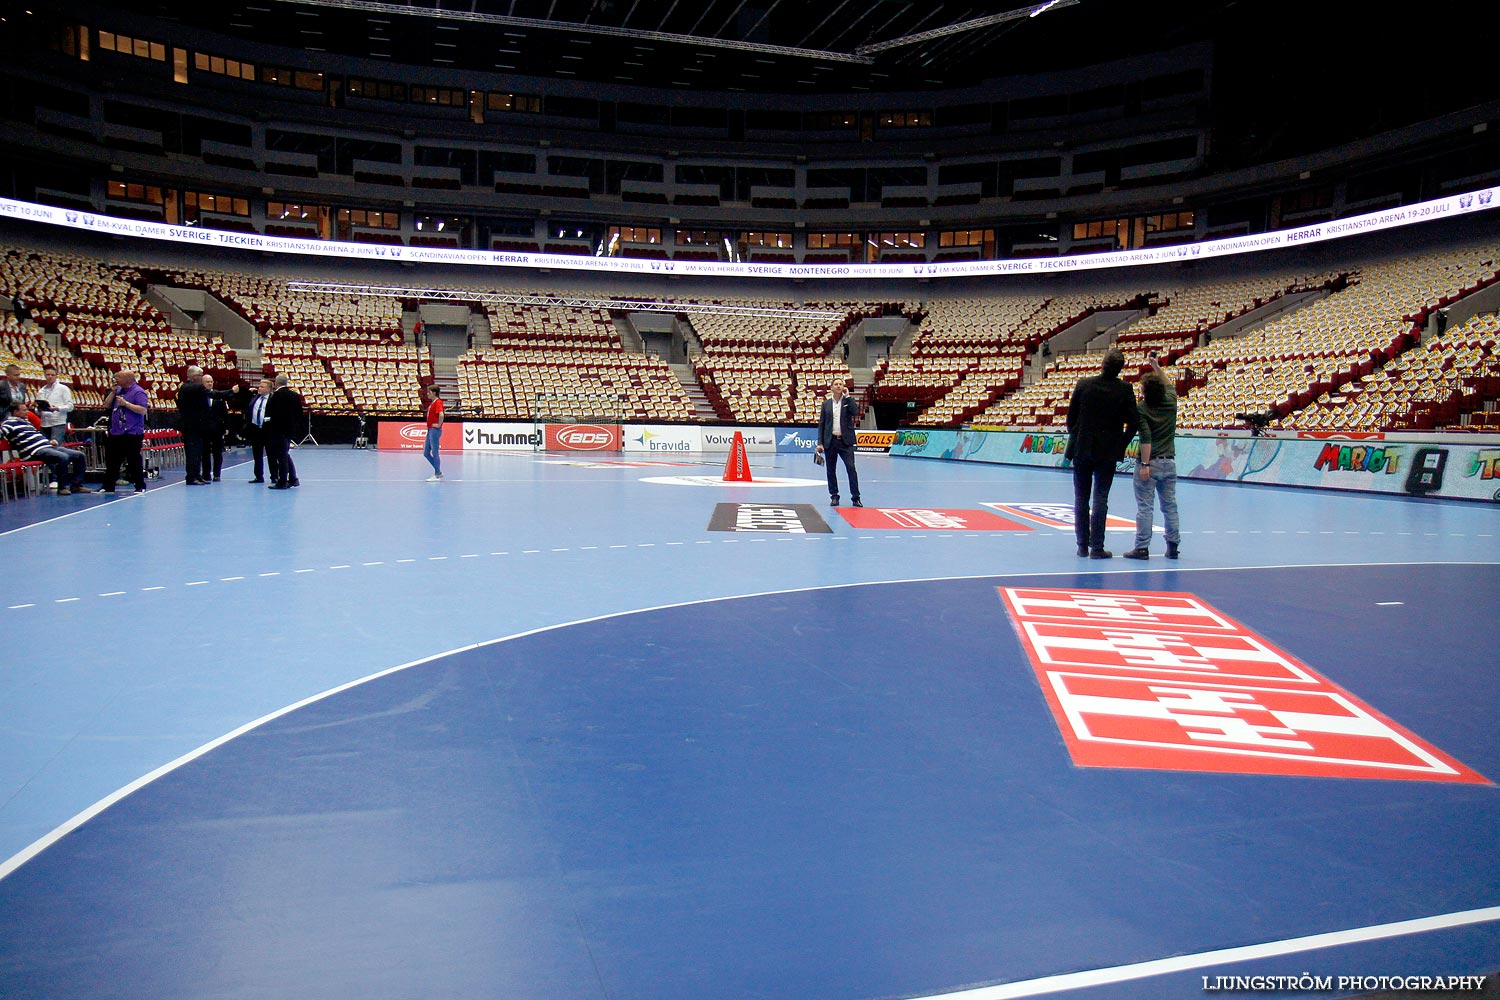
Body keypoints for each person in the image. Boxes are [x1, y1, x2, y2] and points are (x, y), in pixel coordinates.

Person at [1064, 347, 1139, 559]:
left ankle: (1081, 546)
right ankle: (1097, 548)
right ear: (1119, 369)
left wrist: (1078, 436)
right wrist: (1121, 444)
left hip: (1082, 448)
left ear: (1102, 364)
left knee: (1081, 497)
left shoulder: (1084, 385)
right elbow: (1133, 423)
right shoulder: (1125, 389)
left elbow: (1071, 419)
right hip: (1108, 452)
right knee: (1101, 498)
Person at [1124, 356, 1181, 561]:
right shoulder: (1171, 401)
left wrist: (1145, 464)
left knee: (1145, 507)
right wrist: (1157, 367)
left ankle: (1142, 548)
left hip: (1151, 461)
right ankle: (1173, 546)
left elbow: (1146, 438)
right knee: (1170, 506)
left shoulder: (1142, 408)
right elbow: (1168, 384)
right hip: (1169, 462)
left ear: (1145, 392)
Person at [2, 400, 94, 495]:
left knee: (79, 455)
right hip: (33, 451)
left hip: (46, 446)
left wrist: (49, 441)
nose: (27, 412)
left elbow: (36, 436)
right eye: (24, 410)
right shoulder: (9, 423)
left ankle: (76, 485)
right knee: (63, 457)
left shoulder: (26, 422)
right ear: (15, 412)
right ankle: (62, 487)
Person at [100, 369, 150, 493]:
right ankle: (108, 486)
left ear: (128, 380)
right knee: (112, 461)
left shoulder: (138, 392)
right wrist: (112, 393)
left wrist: (126, 404)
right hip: (116, 431)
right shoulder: (118, 391)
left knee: (133, 460)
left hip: (132, 432)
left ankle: (140, 486)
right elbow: (106, 405)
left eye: (119, 378)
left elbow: (143, 410)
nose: (116, 380)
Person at [816, 380, 862, 507]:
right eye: (836, 384)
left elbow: (855, 412)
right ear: (831, 387)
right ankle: (834, 496)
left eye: (840, 384)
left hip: (845, 442)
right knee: (831, 470)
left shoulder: (847, 401)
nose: (838, 386)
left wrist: (848, 397)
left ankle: (855, 497)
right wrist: (820, 443)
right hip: (830, 441)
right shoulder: (826, 404)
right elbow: (822, 424)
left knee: (851, 468)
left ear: (843, 387)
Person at [265, 373, 305, 489]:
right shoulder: (294, 395)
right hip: (289, 430)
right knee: (285, 454)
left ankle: (283, 481)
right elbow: (299, 413)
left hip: (278, 430)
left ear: (276, 383)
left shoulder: (276, 395)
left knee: (281, 456)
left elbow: (271, 413)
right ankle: (293, 478)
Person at [199, 372, 236, 482]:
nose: (210, 383)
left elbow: (225, 414)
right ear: (202, 383)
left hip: (217, 429)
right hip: (204, 429)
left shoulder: (219, 396)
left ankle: (217, 474)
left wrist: (227, 427)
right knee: (205, 453)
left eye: (211, 381)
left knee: (217, 453)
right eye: (207, 382)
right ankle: (206, 474)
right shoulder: (200, 397)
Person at [176, 366, 209, 486]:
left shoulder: (185, 387)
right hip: (192, 425)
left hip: (193, 424)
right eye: (201, 375)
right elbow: (212, 394)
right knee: (193, 452)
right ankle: (191, 476)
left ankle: (196, 475)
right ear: (195, 376)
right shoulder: (194, 387)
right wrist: (231, 392)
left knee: (197, 451)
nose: (202, 378)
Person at [244, 377, 274, 483]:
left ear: (269, 389)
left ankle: (274, 476)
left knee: (271, 454)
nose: (259, 388)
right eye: (259, 386)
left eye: (262, 387)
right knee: (257, 454)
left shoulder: (272, 399)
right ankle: (258, 476)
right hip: (256, 430)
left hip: (268, 430)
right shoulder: (254, 398)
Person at [34, 365, 74, 443]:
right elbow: (38, 411)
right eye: (48, 375)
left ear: (56, 376)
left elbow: (70, 407)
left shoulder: (63, 389)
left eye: (52, 375)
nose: (50, 377)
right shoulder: (41, 391)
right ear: (45, 376)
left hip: (57, 422)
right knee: (45, 447)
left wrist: (57, 408)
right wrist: (38, 409)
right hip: (44, 423)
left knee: (55, 446)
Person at [422, 385, 444, 482]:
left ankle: (437, 474)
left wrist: (439, 425)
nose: (427, 394)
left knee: (435, 452)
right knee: (426, 453)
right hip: (430, 429)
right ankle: (438, 471)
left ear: (434, 393)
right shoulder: (433, 403)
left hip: (434, 430)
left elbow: (441, 414)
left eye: (429, 392)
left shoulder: (438, 402)